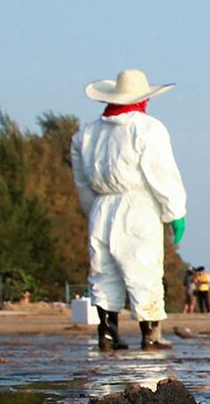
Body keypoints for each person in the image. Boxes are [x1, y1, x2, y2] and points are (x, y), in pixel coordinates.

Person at [72, 67, 188, 351]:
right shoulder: (148, 128)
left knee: (102, 271)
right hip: (137, 205)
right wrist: (175, 211)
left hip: (101, 205)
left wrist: (92, 210)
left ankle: (107, 334)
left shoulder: (86, 133)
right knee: (143, 267)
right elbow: (161, 173)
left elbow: (81, 182)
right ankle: (150, 335)